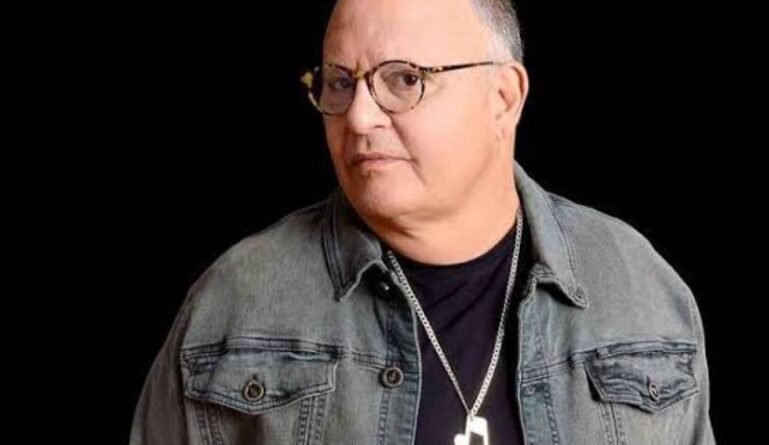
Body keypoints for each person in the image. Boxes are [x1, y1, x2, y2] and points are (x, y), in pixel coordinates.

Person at [130, 0, 716, 443]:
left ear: (504, 98)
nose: (359, 117)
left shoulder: (639, 289)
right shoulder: (237, 300)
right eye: (341, 83)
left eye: (405, 79)